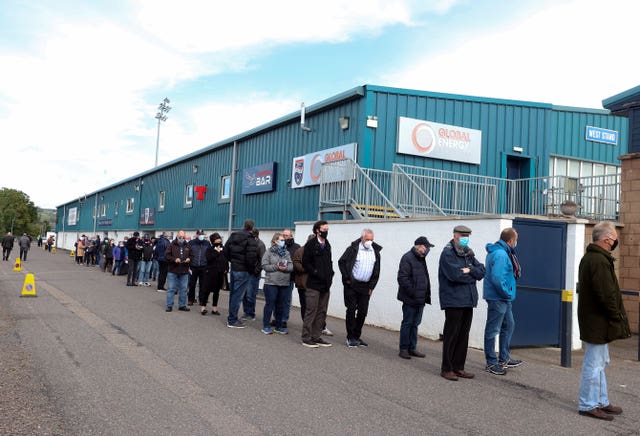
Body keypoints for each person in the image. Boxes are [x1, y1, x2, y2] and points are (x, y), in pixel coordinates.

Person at [577, 221, 630, 421]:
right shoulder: (598, 261)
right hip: (597, 320)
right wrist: (616, 317)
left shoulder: (595, 258)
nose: (615, 240)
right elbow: (606, 295)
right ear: (607, 239)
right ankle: (588, 404)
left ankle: (600, 401)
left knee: (601, 362)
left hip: (596, 320)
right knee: (594, 364)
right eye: (614, 237)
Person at [438, 225, 485, 381]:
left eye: (467, 235)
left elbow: (482, 271)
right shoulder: (447, 253)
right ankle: (447, 368)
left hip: (468, 299)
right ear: (455, 235)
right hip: (453, 299)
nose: (465, 238)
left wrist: (469, 270)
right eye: (462, 235)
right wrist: (470, 271)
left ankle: (459, 367)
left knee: (463, 335)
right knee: (451, 335)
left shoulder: (468, 252)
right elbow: (454, 276)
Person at [483, 227, 522, 375]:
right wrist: (507, 292)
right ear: (511, 240)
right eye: (516, 239)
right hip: (498, 297)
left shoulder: (503, 252)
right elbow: (497, 278)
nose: (516, 242)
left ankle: (504, 358)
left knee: (508, 325)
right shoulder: (500, 254)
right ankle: (491, 362)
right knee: (493, 329)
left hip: (503, 297)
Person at [338, 228, 382, 348]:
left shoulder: (375, 252)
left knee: (362, 312)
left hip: (365, 286)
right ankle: (350, 337)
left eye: (371, 240)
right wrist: (347, 278)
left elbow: (377, 271)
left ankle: (357, 336)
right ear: (362, 238)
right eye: (367, 239)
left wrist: (372, 287)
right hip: (352, 285)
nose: (369, 242)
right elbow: (342, 262)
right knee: (351, 310)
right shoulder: (353, 249)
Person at [397, 236, 434, 359]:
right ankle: (403, 349)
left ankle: (412, 348)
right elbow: (402, 278)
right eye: (426, 247)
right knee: (407, 323)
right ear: (419, 246)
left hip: (420, 298)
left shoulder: (421, 258)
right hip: (410, 298)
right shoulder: (407, 258)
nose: (428, 250)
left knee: (415, 323)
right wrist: (413, 292)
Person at [301, 220, 334, 348]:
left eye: (327, 230)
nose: (326, 232)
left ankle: (316, 336)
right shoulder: (310, 244)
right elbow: (305, 262)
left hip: (325, 285)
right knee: (311, 310)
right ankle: (306, 337)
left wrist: (330, 274)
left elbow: (329, 261)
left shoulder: (327, 245)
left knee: (322, 311)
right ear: (317, 230)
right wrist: (315, 272)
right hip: (313, 284)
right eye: (324, 229)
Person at [223, 219, 259, 328]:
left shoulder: (233, 236)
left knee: (233, 294)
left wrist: (232, 261)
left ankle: (231, 317)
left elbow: (225, 251)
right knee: (238, 296)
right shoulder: (251, 239)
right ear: (252, 228)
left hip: (234, 268)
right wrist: (250, 269)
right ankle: (232, 320)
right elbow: (251, 258)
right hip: (244, 270)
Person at [261, 233, 293, 334]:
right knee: (270, 305)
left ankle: (278, 326)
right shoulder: (269, 252)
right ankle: (266, 326)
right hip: (271, 283)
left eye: (284, 240)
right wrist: (277, 266)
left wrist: (285, 268)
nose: (283, 241)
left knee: (281, 305)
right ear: (275, 241)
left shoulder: (286, 253)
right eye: (281, 240)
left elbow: (291, 266)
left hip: (284, 283)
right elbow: (265, 265)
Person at [277, 228, 300, 328]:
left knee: (286, 300)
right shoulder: (280, 245)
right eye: (283, 235)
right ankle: (277, 318)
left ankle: (284, 319)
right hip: (278, 277)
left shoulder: (296, 247)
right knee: (277, 299)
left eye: (286, 235)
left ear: (291, 236)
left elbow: (297, 262)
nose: (284, 237)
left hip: (289, 277)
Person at [165, 230, 192, 312]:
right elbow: (167, 255)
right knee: (171, 288)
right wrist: (174, 259)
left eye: (183, 237)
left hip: (184, 270)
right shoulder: (171, 245)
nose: (181, 238)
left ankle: (182, 305)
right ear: (177, 236)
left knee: (184, 289)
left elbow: (192, 255)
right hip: (173, 270)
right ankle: (169, 305)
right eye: (180, 237)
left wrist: (189, 259)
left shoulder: (188, 245)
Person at [200, 233, 227, 315]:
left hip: (220, 273)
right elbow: (209, 259)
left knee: (217, 291)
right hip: (210, 273)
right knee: (207, 291)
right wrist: (217, 252)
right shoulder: (210, 249)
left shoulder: (224, 248)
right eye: (216, 239)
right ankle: (203, 308)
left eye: (219, 238)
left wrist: (226, 268)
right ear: (213, 241)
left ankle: (214, 309)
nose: (219, 240)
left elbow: (225, 259)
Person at [242, 228, 266, 321]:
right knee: (244, 294)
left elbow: (262, 260)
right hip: (246, 272)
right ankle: (246, 312)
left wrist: (256, 271)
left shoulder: (260, 245)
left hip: (254, 274)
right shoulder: (248, 244)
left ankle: (251, 313)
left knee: (250, 294)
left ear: (255, 236)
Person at [188, 229, 210, 305]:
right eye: (200, 234)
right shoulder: (191, 243)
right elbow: (188, 254)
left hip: (204, 266)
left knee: (203, 285)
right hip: (193, 266)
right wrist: (189, 265)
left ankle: (202, 300)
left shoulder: (207, 243)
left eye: (202, 234)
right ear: (196, 235)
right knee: (192, 284)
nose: (201, 235)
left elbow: (209, 255)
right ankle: (191, 299)